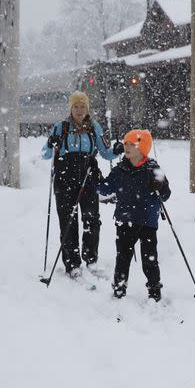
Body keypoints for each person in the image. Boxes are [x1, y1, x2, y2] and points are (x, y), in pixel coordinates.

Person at [42, 91, 117, 278]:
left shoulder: (94, 127)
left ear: (87, 108)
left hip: (88, 177)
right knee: (68, 222)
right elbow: (45, 153)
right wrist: (51, 144)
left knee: (92, 220)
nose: (79, 110)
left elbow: (105, 152)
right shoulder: (61, 128)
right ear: (70, 108)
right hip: (64, 178)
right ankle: (72, 263)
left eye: (83, 106)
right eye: (76, 106)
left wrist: (117, 151)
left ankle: (91, 259)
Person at [97, 129, 170, 301]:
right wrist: (96, 177)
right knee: (123, 257)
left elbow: (166, 195)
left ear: (142, 147)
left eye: (132, 144)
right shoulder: (120, 169)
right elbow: (106, 188)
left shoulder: (153, 168)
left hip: (147, 222)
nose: (127, 147)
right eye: (126, 143)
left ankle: (154, 290)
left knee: (149, 259)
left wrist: (160, 186)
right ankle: (119, 288)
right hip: (125, 220)